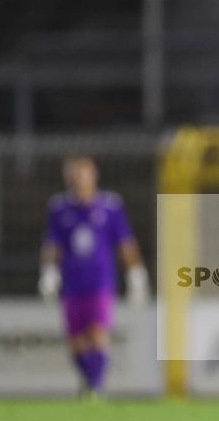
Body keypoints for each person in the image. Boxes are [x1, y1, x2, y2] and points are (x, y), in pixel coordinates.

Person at [39, 156, 149, 396]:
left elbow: (125, 243)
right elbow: (53, 244)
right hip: (71, 282)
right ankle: (90, 382)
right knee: (76, 343)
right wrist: (49, 272)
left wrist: (136, 273)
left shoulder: (110, 206)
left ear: (93, 175)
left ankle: (96, 388)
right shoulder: (59, 208)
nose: (78, 179)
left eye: (83, 173)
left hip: (100, 281)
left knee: (98, 334)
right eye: (74, 174)